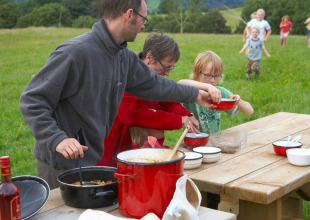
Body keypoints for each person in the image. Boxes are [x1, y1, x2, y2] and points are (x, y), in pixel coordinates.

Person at [19, 0, 221, 189]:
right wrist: (57, 139)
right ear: (129, 15)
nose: (143, 26)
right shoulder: (75, 53)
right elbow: (32, 100)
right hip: (60, 163)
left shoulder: (124, 57)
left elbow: (154, 84)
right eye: (143, 19)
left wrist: (193, 94)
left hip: (91, 159)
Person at [96, 33, 213, 167]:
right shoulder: (124, 75)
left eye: (171, 67)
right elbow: (133, 115)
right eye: (166, 67)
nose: (168, 73)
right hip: (111, 153)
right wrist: (178, 121)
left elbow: (166, 101)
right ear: (149, 58)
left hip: (141, 152)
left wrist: (185, 114)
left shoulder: (152, 78)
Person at [178, 51, 254, 210]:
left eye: (216, 76)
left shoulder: (220, 92)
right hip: (192, 146)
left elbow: (250, 111)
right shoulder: (191, 90)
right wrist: (204, 87)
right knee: (195, 185)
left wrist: (238, 101)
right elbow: (180, 82)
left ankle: (213, 209)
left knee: (214, 187)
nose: (212, 81)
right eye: (208, 76)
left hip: (213, 148)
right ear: (197, 73)